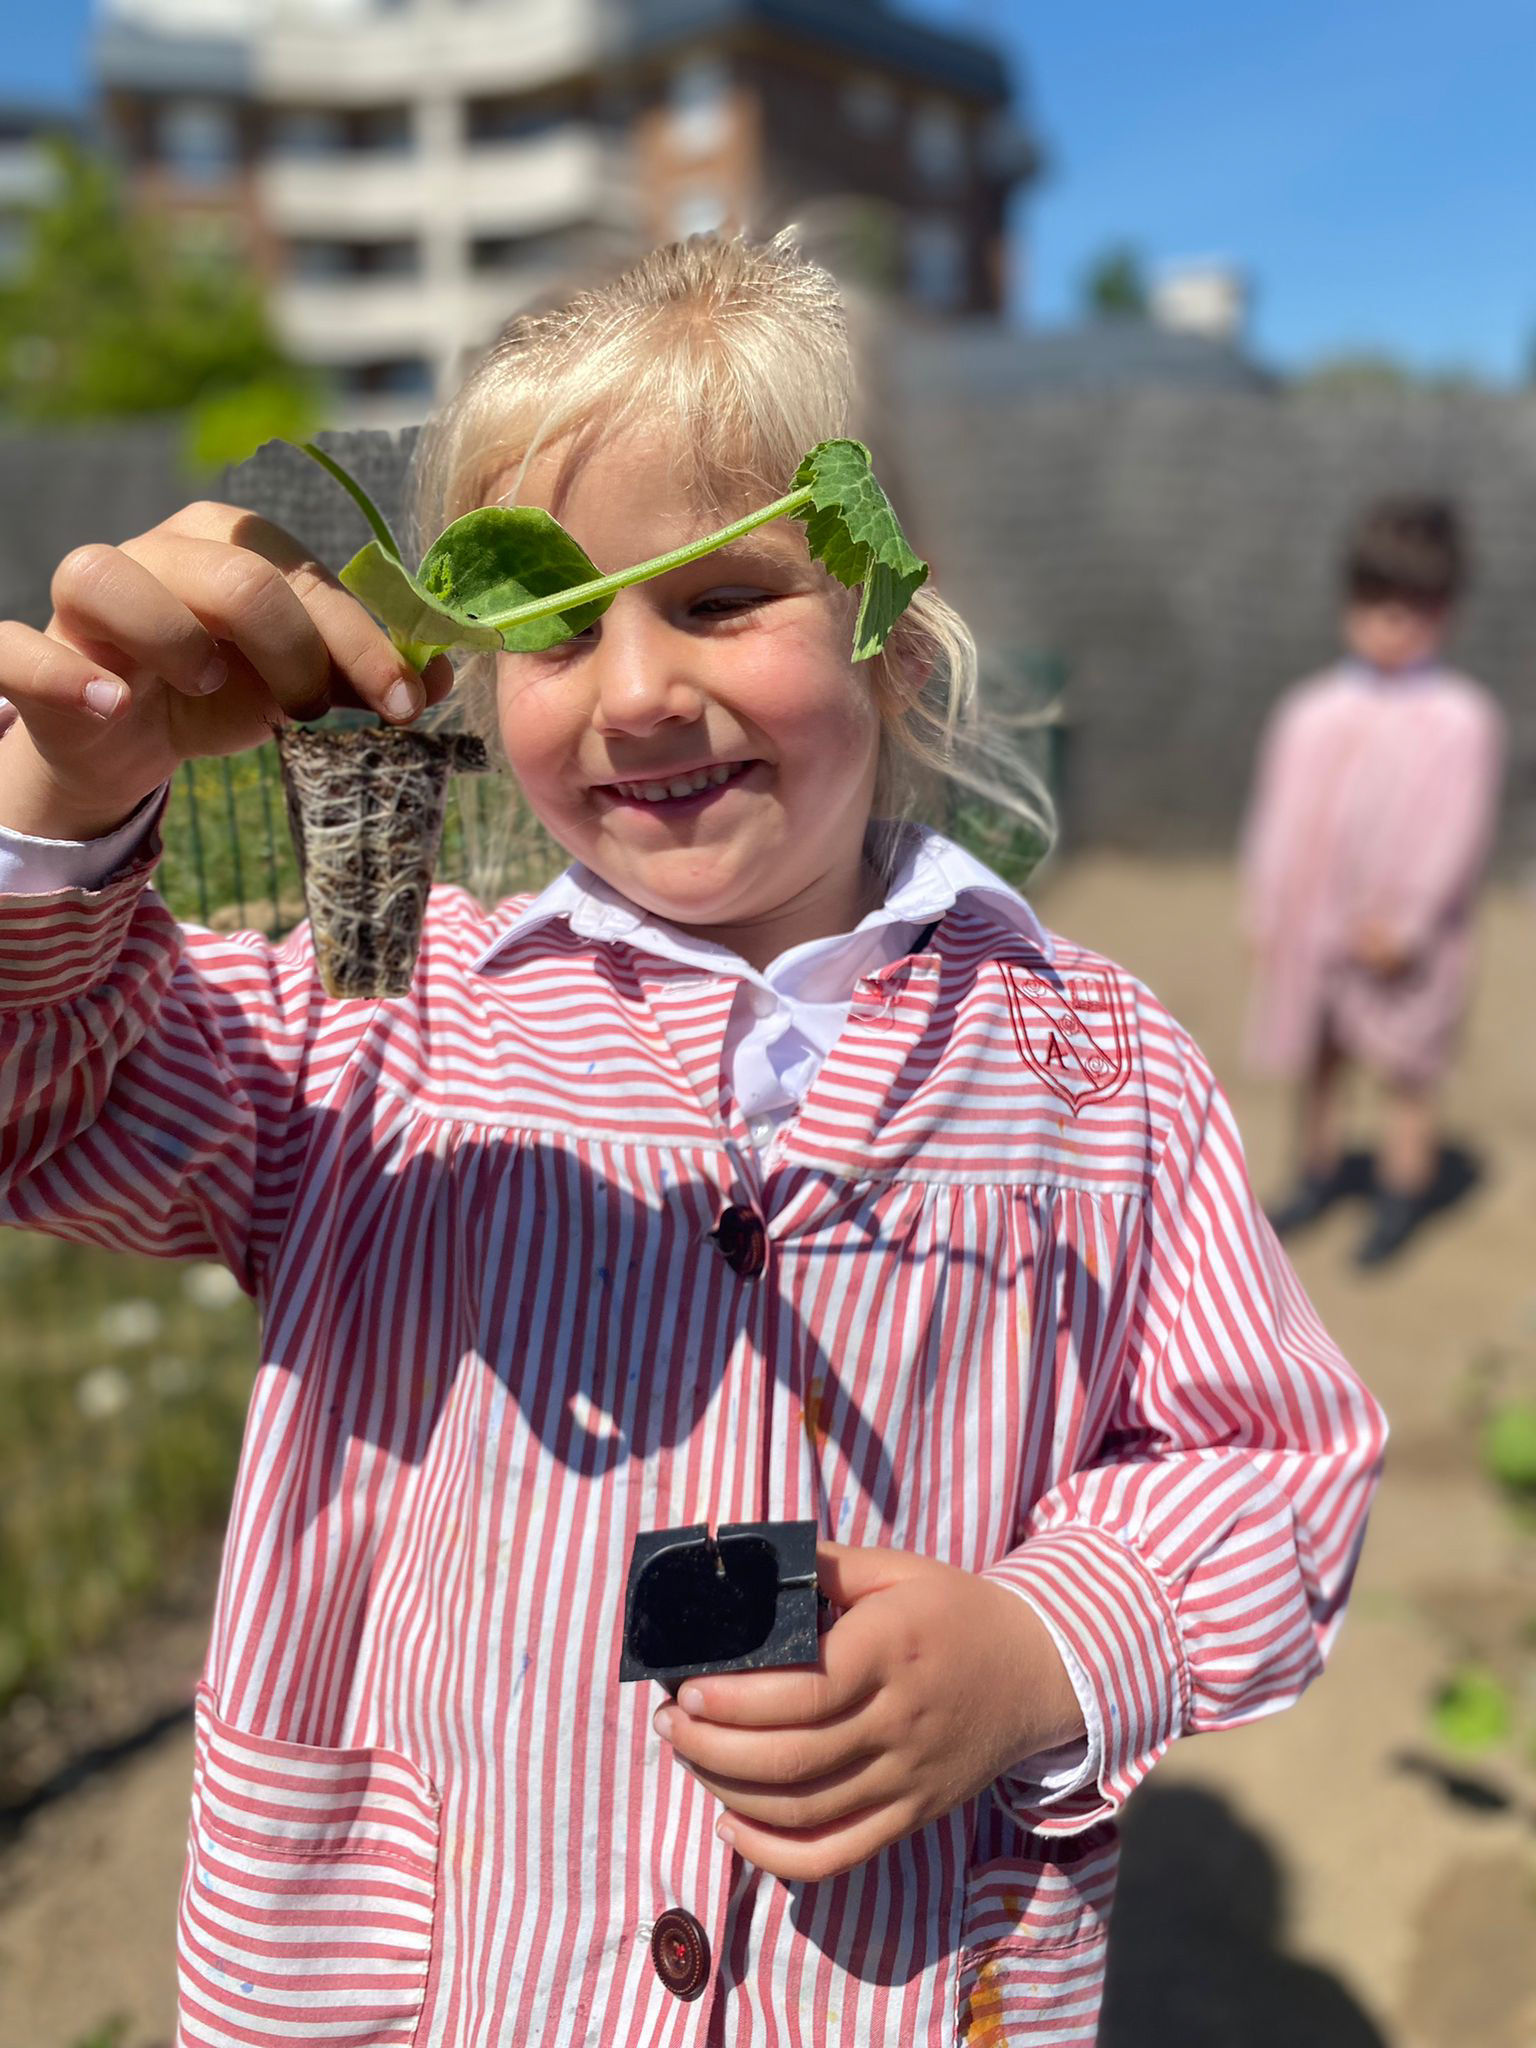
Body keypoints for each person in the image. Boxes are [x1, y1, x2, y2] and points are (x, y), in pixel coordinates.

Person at [0, 236, 1384, 2048]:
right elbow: (58, 1093)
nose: (637, 686)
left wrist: (1047, 1644)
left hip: (882, 1983)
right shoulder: (382, 1019)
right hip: (449, 1980)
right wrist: (63, 805)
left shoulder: (1092, 1058)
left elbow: (1274, 1456)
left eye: (720, 595)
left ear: (891, 625)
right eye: (551, 616)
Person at [1241, 496, 1505, 1268]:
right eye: (1377, 605)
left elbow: (1456, 836)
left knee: (1407, 1071)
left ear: (1444, 613)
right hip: (1315, 929)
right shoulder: (1309, 712)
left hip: (1402, 941)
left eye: (1415, 609)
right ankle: (1315, 1175)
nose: (1394, 626)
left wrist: (1410, 923)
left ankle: (1399, 1194)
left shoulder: (1463, 721)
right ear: (1350, 603)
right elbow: (1275, 819)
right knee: (1320, 1058)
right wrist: (1266, 909)